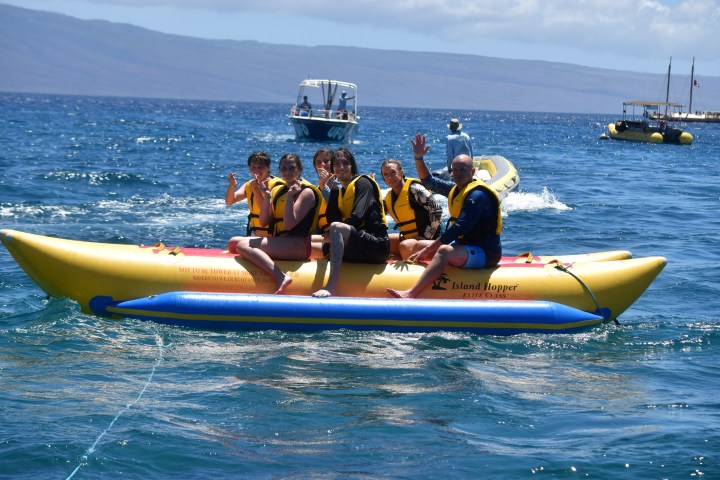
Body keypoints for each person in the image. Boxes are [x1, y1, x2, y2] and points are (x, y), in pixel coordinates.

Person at [387, 134, 502, 299]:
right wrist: (418, 158)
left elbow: (459, 228)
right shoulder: (455, 190)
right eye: (455, 170)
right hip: (464, 248)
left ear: (473, 171)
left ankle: (411, 293)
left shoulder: (477, 196)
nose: (458, 173)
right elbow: (429, 182)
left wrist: (431, 248)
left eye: (463, 169)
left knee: (443, 250)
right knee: (412, 245)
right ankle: (418, 275)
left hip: (485, 253)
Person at [235, 153, 325, 294]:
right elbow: (264, 222)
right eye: (284, 168)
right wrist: (267, 197)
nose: (287, 172)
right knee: (234, 242)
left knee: (242, 245)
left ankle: (281, 276)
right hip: (282, 242)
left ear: (300, 170)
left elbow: (289, 225)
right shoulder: (278, 191)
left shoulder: (306, 192)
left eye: (292, 168)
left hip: (298, 245)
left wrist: (290, 197)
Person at [312, 148, 390, 298]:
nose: (341, 168)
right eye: (337, 164)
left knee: (335, 230)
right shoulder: (340, 191)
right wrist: (333, 191)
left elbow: (357, 217)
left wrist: (337, 235)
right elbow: (332, 219)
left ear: (352, 166)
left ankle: (331, 286)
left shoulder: (363, 183)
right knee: (319, 244)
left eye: (345, 163)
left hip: (377, 246)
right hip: (359, 245)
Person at [380, 158, 443, 259]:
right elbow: (377, 213)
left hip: (431, 240)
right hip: (409, 239)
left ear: (401, 172)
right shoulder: (389, 197)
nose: (390, 177)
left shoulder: (415, 189)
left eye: (393, 172)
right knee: (382, 241)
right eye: (386, 174)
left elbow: (437, 210)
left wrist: (425, 236)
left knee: (405, 246)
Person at [226, 151, 284, 251]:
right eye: (253, 167)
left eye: (261, 167)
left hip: (275, 239)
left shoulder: (277, 186)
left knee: (235, 243)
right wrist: (232, 186)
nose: (257, 170)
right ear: (249, 169)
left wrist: (256, 190)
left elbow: (265, 215)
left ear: (268, 168)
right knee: (232, 243)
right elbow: (229, 201)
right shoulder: (249, 185)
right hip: (257, 238)